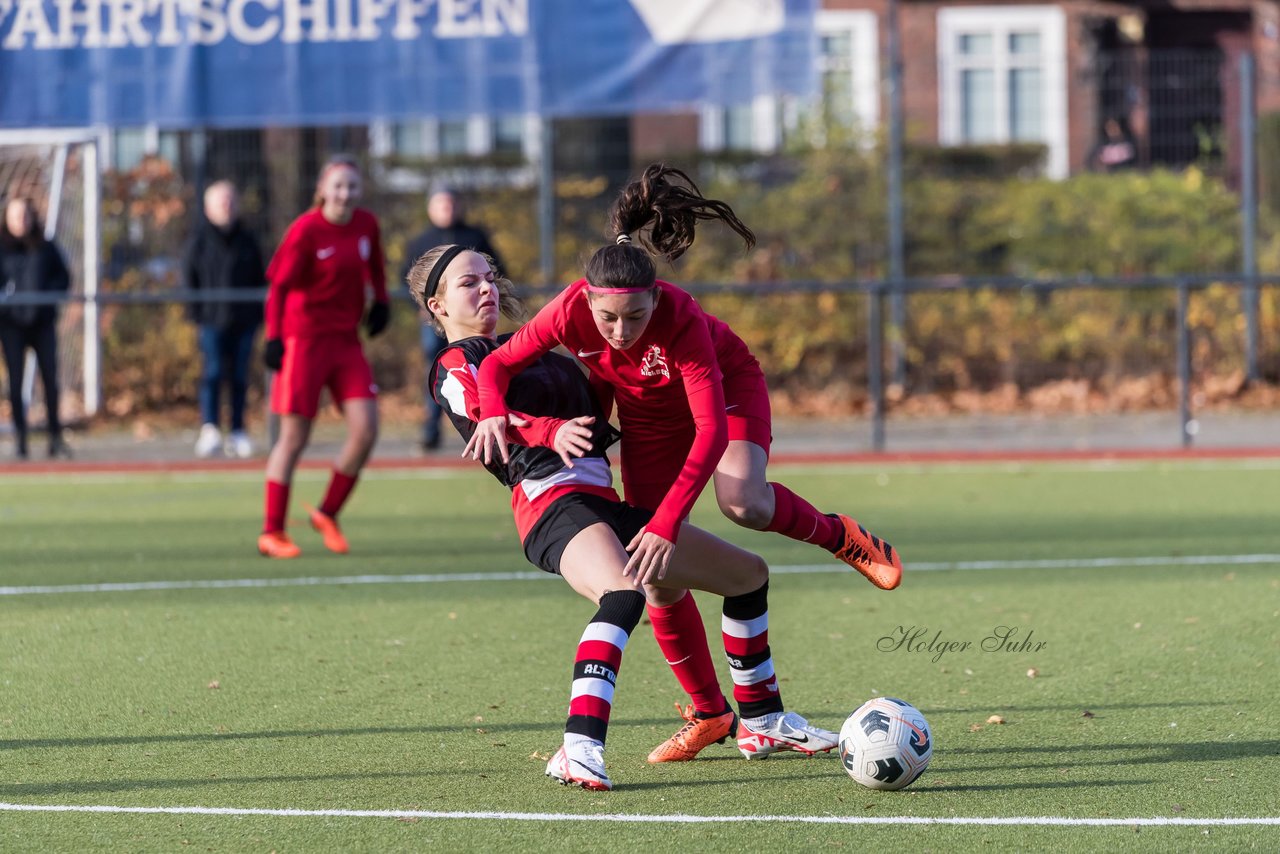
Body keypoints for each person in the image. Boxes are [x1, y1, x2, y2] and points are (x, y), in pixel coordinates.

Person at [466, 164, 903, 761]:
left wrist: (671, 518)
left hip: (723, 396)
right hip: (647, 419)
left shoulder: (683, 320)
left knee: (742, 502)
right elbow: (493, 368)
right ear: (587, 300)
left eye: (636, 317)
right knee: (655, 575)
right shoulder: (567, 310)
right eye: (607, 318)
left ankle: (841, 536)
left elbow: (710, 430)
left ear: (656, 299)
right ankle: (717, 716)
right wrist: (491, 412)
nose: (621, 331)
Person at [407, 244, 838, 790]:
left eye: (490, 276)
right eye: (469, 283)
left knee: (747, 575)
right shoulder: (455, 363)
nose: (487, 288)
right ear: (437, 305)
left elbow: (611, 369)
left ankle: (761, 718)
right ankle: (578, 747)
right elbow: (486, 414)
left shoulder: (533, 350)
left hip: (603, 503)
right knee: (624, 591)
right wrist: (548, 432)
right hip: (551, 504)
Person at [257, 155, 390, 559]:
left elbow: (376, 267)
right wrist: (275, 337)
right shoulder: (306, 230)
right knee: (294, 438)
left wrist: (381, 301)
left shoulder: (366, 224)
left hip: (346, 341)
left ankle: (327, 512)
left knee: (366, 428)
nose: (345, 193)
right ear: (322, 190)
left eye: (352, 185)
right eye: (338, 186)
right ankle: (272, 531)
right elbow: (278, 287)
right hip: (304, 340)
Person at [400, 186, 504, 452]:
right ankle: (432, 429)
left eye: (451, 203)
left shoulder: (474, 236)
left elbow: (499, 269)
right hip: (433, 325)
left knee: (485, 366)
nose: (447, 209)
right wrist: (424, 307)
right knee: (440, 371)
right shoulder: (420, 242)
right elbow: (405, 279)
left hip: (472, 324)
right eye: (441, 204)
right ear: (430, 209)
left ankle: (489, 420)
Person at [181, 180, 267, 459]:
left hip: (244, 321)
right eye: (221, 201)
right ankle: (210, 429)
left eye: (230, 200)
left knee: (240, 376)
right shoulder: (198, 241)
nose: (226, 206)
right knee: (213, 373)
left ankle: (238, 431)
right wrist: (196, 315)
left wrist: (258, 316)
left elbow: (260, 278)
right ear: (208, 208)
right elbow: (188, 279)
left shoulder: (249, 240)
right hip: (211, 320)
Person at [0, 196, 71, 460]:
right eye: (16, 215)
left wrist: (48, 299)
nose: (21, 220)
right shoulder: (2, 248)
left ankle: (55, 436)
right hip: (12, 327)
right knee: (15, 382)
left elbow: (63, 277)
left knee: (50, 380)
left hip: (42, 324)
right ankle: (21, 439)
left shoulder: (45, 247)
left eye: (25, 215)